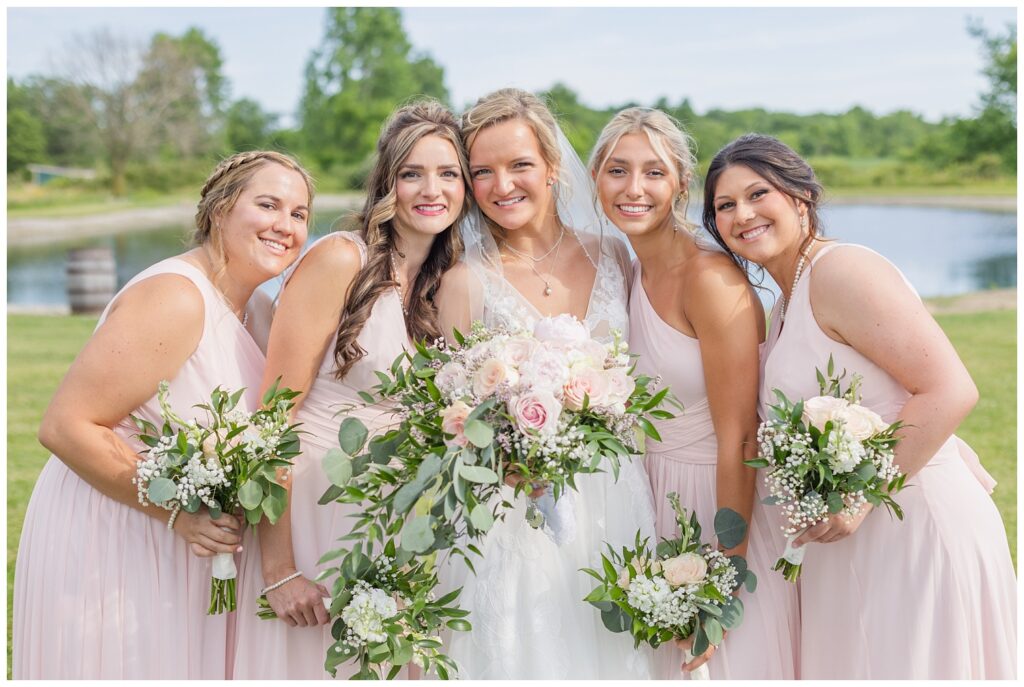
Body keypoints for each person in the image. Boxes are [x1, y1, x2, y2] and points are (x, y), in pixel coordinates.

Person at [703, 133, 1016, 679]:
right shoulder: (783, 302)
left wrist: (861, 497)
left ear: (800, 196)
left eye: (758, 195)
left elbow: (950, 389)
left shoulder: (842, 271)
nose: (742, 214)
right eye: (724, 206)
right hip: (849, 544)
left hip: (910, 525)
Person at [13, 151, 314, 679]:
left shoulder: (262, 310)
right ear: (221, 210)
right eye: (267, 205)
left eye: (298, 213)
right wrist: (178, 512)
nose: (284, 226)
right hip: (116, 534)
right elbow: (66, 425)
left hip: (187, 546)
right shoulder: (176, 297)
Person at [231, 99, 469, 679]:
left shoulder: (450, 280)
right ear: (388, 182)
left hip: (399, 516)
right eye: (412, 173)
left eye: (448, 173)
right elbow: (274, 414)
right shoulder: (342, 258)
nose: (430, 189)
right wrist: (280, 566)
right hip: (317, 500)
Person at [434, 88, 656, 679]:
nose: (501, 184)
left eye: (519, 164)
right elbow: (450, 421)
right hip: (515, 510)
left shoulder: (615, 255)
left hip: (616, 496)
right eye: (482, 171)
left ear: (554, 168)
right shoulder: (465, 281)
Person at [590, 108, 799, 679]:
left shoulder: (711, 279)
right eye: (617, 171)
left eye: (654, 172)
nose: (634, 189)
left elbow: (741, 434)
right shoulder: (627, 271)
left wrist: (722, 580)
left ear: (681, 183)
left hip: (716, 503)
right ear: (595, 181)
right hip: (648, 501)